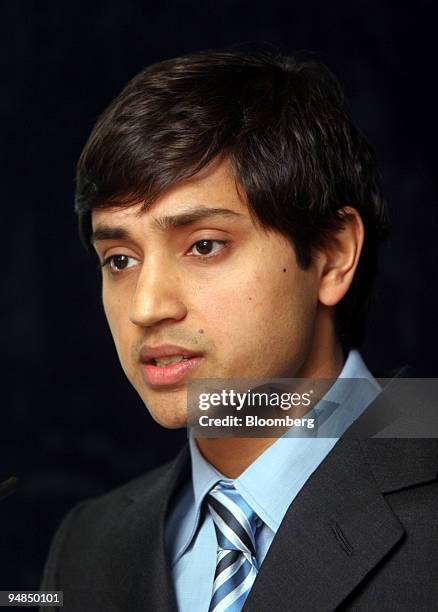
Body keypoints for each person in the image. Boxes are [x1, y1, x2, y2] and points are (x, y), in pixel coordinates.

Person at [41, 49, 438, 611]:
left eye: (205, 245)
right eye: (120, 259)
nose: (147, 307)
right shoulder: (87, 544)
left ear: (332, 255)